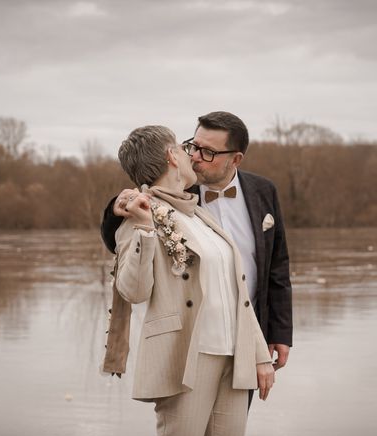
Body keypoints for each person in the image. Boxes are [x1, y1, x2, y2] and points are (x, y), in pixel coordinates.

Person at [103, 125, 275, 436]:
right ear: (171, 156)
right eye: (185, 148)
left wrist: (259, 355)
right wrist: (146, 230)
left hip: (233, 358)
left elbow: (238, 293)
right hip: (186, 360)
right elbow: (132, 291)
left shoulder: (200, 214)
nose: (191, 155)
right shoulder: (136, 216)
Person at [101, 112, 293, 370]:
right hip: (195, 340)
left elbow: (277, 267)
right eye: (193, 146)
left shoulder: (263, 191)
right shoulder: (179, 193)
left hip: (251, 332)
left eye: (208, 152)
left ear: (235, 159)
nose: (195, 156)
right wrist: (116, 207)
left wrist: (279, 332)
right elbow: (122, 236)